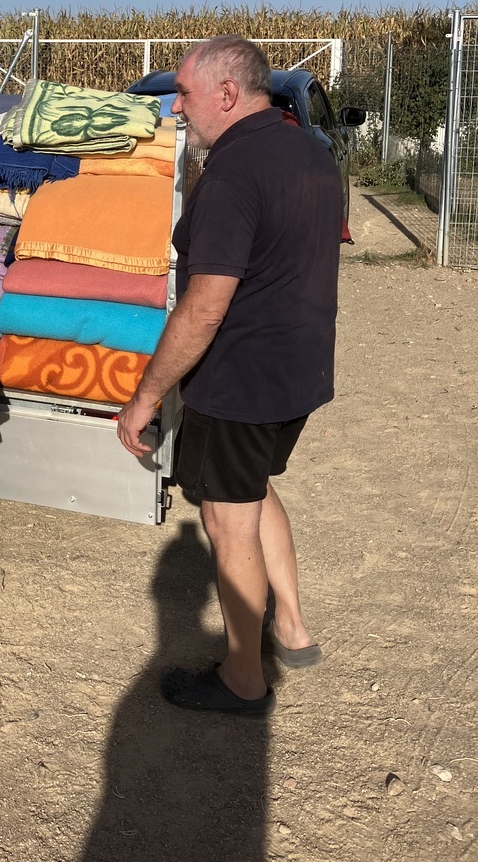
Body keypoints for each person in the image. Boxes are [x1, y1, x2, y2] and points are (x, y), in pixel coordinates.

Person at [117, 35, 341, 716]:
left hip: (240, 379)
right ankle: (291, 629)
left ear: (226, 92)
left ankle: (244, 677)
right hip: (298, 369)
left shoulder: (234, 172)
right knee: (254, 488)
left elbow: (205, 305)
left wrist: (145, 397)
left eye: (183, 94)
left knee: (226, 515)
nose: (175, 108)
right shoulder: (310, 151)